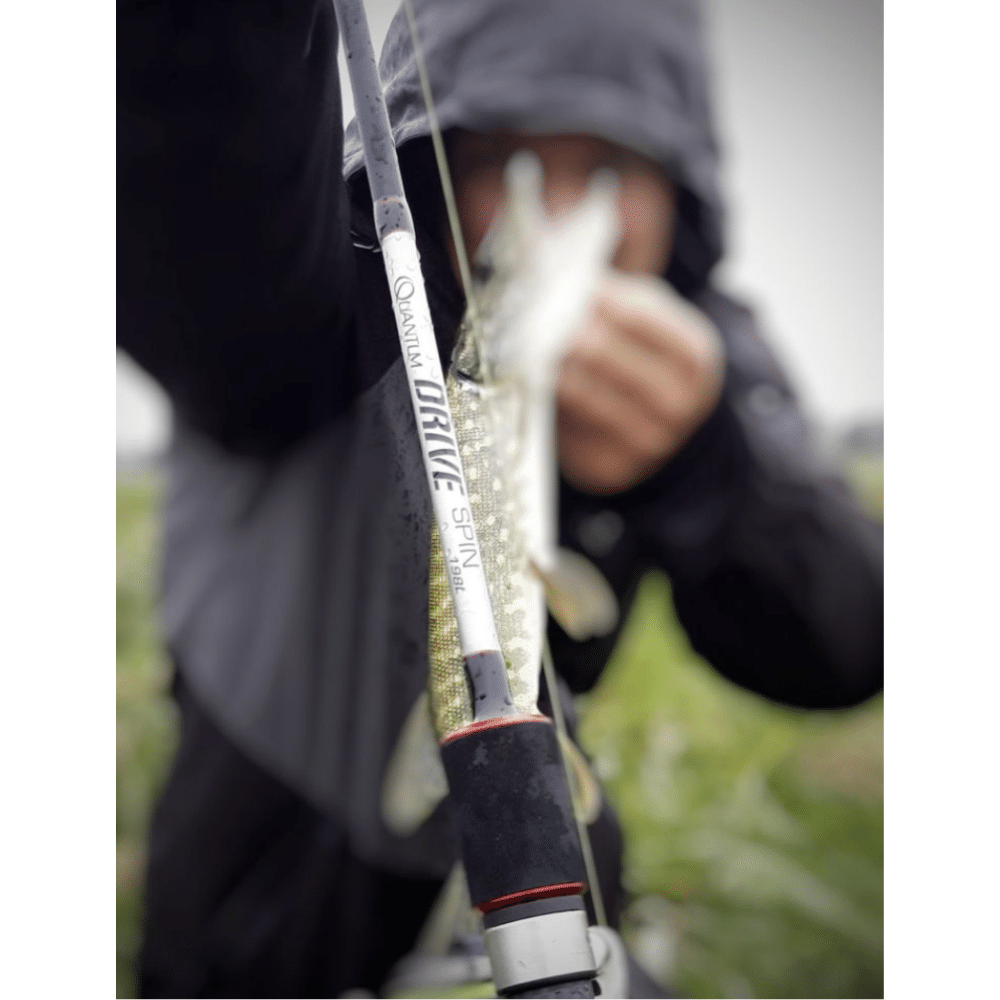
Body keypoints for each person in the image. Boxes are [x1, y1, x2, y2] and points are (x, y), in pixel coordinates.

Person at [117, 0, 883, 996]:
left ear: (677, 185)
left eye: (605, 170)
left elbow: (851, 642)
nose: (552, 217)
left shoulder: (705, 345)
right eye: (503, 163)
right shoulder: (317, 278)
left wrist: (708, 468)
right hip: (259, 909)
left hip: (541, 880)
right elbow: (202, 174)